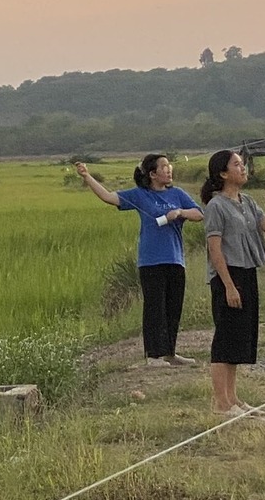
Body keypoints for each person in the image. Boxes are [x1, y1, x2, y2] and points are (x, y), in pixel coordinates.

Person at [73, 154, 204, 364]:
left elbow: (199, 214)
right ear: (152, 174)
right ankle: (153, 356)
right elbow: (108, 197)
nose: (169, 169)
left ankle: (170, 353)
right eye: (164, 167)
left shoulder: (177, 194)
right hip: (151, 260)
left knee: (173, 307)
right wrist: (87, 176)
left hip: (175, 259)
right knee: (155, 308)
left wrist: (179, 212)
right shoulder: (140, 195)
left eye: (169, 166)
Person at [200, 149, 265, 414]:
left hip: (247, 272)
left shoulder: (247, 202)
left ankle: (233, 399)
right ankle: (221, 403)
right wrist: (229, 286)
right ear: (223, 173)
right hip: (227, 276)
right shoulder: (216, 206)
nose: (243, 168)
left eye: (242, 164)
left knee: (239, 339)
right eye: (237, 164)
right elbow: (215, 249)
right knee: (225, 338)